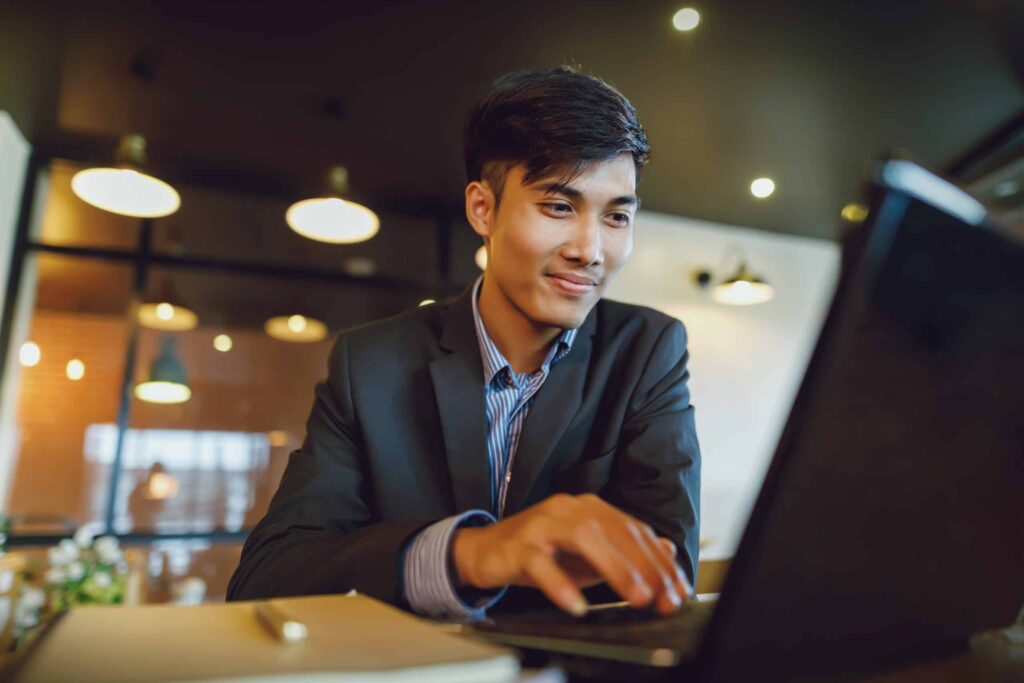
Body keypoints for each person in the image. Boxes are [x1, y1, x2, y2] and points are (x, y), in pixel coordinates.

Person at [228, 66, 701, 620]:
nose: (591, 250)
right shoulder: (371, 364)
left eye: (617, 216)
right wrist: (468, 554)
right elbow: (269, 576)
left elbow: (669, 579)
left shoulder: (647, 350)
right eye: (558, 207)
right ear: (483, 208)